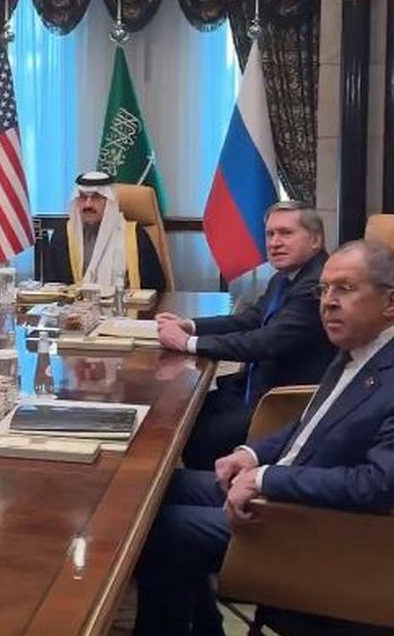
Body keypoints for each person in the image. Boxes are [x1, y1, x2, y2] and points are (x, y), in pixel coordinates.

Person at [133, 240, 394, 636]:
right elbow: (311, 425)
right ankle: (204, 627)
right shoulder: (358, 348)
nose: (328, 302)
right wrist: (252, 455)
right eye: (324, 289)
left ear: (390, 302)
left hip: (323, 528)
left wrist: (266, 479)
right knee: (155, 491)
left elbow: (376, 486)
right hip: (292, 489)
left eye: (345, 289)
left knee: (157, 529)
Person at [157, 201, 335, 469]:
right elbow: (250, 319)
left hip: (283, 403)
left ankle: (209, 488)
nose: (275, 243)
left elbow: (264, 343)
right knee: (181, 411)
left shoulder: (316, 285)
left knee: (195, 434)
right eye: (270, 234)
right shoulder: (287, 276)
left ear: (315, 240)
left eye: (286, 233)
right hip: (258, 385)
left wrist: (188, 343)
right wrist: (191, 325)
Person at [43, 171, 166, 291]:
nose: (88, 205)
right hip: (75, 305)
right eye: (82, 197)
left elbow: (155, 287)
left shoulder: (134, 236)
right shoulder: (63, 235)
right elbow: (53, 287)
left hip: (124, 303)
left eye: (96, 197)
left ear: (110, 202)